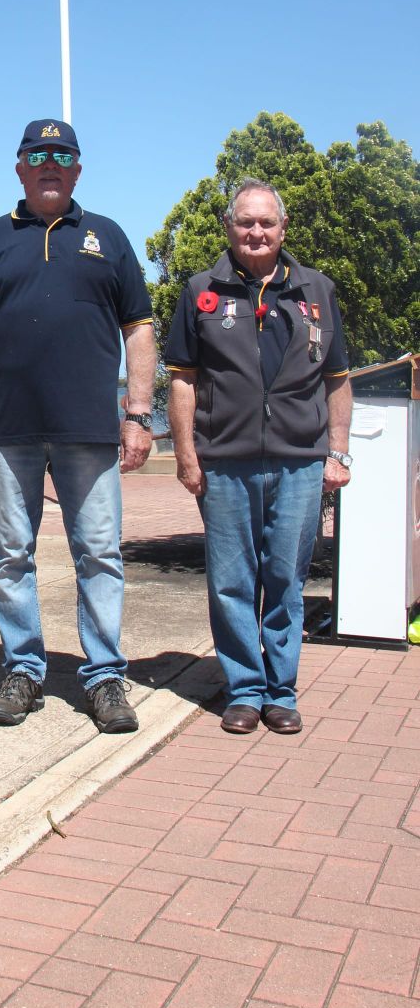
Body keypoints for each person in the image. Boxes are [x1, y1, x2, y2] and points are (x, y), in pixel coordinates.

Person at [0, 120, 156, 733]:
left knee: (99, 553)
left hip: (89, 430)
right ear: (19, 167)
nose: (50, 163)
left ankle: (105, 676)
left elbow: (139, 328)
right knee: (12, 555)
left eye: (62, 155)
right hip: (7, 430)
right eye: (37, 154)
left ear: (77, 169)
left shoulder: (108, 237)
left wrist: (138, 414)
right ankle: (23, 669)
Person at [166, 178, 352, 735]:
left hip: (300, 461)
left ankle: (281, 690)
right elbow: (182, 380)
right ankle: (244, 689)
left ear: (282, 228)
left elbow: (338, 380)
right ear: (230, 227)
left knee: (286, 578)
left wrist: (337, 453)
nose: (255, 232)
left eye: (266, 223)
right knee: (231, 581)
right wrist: (185, 454)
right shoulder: (202, 290)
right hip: (224, 461)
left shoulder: (317, 290)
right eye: (245, 222)